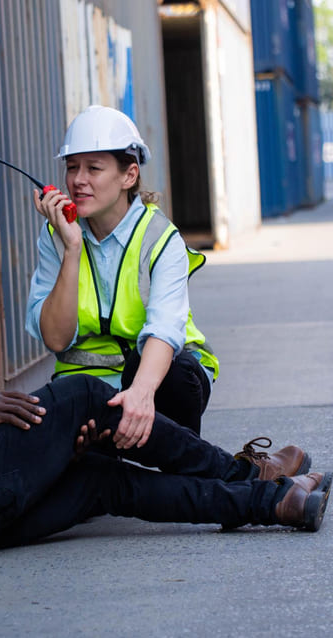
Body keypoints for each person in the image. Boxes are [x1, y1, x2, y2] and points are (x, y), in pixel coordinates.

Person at [0, 251, 333, 560]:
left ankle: (270, 503)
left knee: (103, 480)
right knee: (83, 395)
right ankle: (246, 473)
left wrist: (45, 451)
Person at [25, 105, 217, 452]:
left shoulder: (160, 238)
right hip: (87, 387)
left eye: (93, 168)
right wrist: (71, 248)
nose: (78, 180)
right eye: (71, 167)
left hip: (159, 380)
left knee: (177, 378)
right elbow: (56, 338)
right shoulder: (56, 236)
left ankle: (202, 470)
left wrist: (140, 396)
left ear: (129, 176)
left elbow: (165, 329)